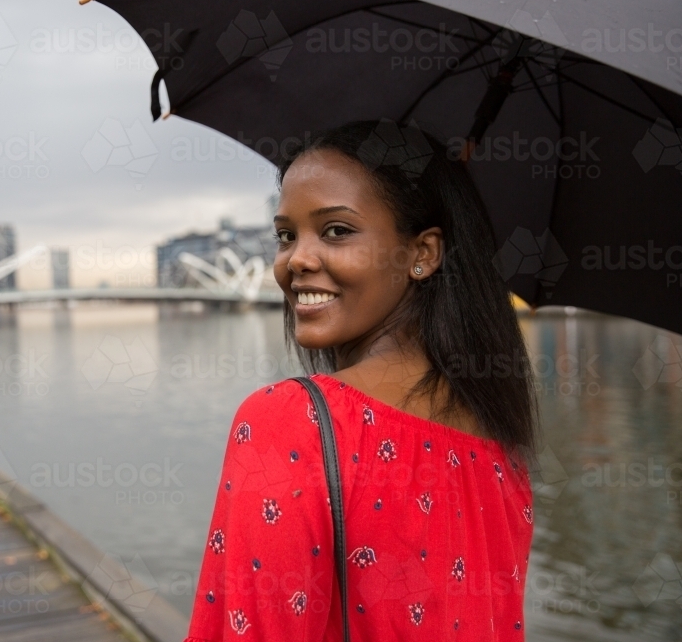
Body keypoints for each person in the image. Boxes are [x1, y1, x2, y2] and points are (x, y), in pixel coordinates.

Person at [185, 121, 536, 641]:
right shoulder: (503, 449)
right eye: (286, 235)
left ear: (423, 254)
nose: (295, 260)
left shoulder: (290, 422)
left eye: (336, 231)